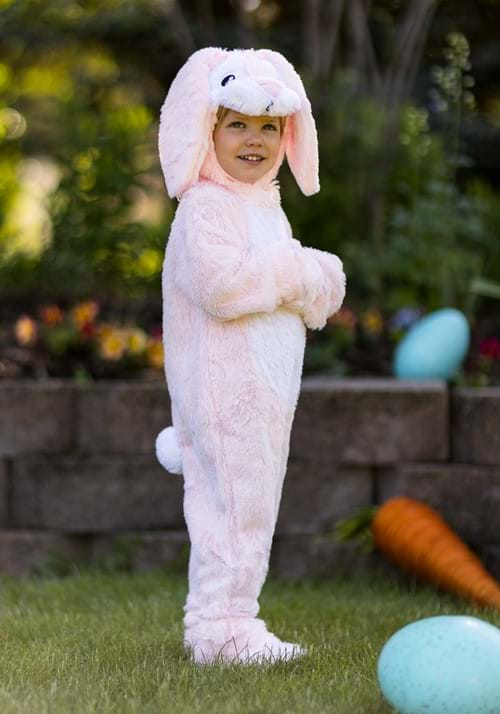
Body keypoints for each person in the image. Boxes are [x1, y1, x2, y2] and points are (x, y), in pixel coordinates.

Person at [155, 47, 346, 665]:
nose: (255, 140)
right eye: (238, 124)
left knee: (252, 505)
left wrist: (306, 278)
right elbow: (224, 287)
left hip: (264, 394)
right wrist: (305, 270)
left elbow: (315, 296)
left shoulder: (264, 205)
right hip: (225, 393)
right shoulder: (205, 209)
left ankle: (237, 620)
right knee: (231, 507)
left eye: (269, 127)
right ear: (207, 129)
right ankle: (218, 627)